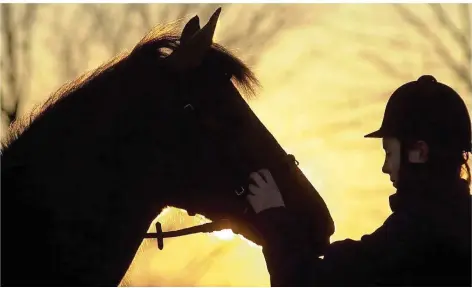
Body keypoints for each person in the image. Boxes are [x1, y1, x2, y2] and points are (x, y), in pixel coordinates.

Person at [246, 75, 471, 286]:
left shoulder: (411, 235)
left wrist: (272, 216)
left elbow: (305, 282)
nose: (385, 167)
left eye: (390, 153)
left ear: (419, 152)